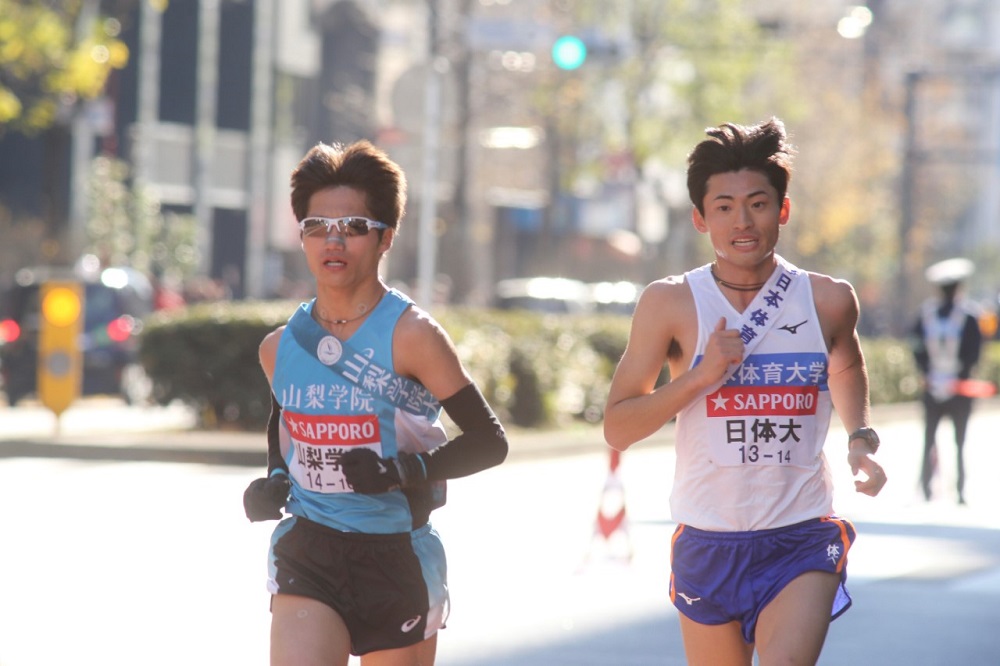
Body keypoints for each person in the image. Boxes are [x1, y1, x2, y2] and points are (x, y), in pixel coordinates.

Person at [603, 118, 887, 666]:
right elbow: (619, 426)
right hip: (708, 538)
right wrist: (699, 378)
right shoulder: (670, 303)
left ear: (782, 209)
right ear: (700, 217)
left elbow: (846, 366)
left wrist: (860, 439)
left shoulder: (827, 299)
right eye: (725, 207)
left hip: (800, 534)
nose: (743, 221)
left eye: (758, 203)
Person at [241, 139, 508, 666]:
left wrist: (401, 471)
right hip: (309, 551)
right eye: (317, 226)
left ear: (386, 238)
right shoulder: (280, 347)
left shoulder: (414, 337)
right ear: (301, 236)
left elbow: (489, 442)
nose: (333, 241)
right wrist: (274, 480)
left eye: (354, 227)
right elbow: (285, 425)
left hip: (394, 557)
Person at [911, 257, 983, 504]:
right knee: (937, 439)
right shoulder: (959, 315)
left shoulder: (963, 316)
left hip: (952, 386)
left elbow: (917, 346)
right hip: (940, 385)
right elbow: (918, 346)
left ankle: (955, 488)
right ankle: (929, 487)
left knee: (953, 440)